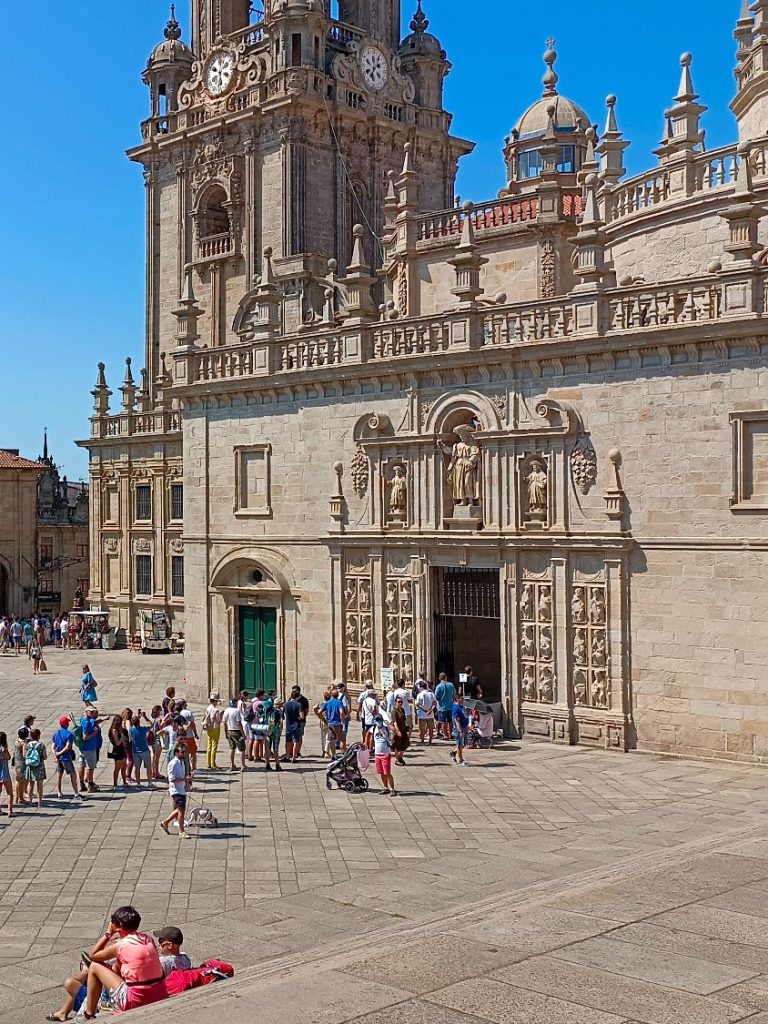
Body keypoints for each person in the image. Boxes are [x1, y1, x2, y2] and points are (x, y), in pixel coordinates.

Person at [79, 905, 169, 1018]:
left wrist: (108, 934)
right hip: (160, 992)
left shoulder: (120, 945)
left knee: (94, 966)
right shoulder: (148, 939)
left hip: (136, 999)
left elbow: (93, 955)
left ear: (118, 926)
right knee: (116, 966)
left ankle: (89, 1013)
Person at [159, 743, 192, 840]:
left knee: (180, 809)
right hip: (176, 790)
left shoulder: (181, 762)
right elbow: (172, 779)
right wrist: (184, 779)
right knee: (181, 810)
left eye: (184, 752)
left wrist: (186, 784)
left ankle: (165, 822)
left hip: (181, 789)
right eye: (182, 752)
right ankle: (181, 831)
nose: (184, 754)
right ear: (176, 752)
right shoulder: (173, 763)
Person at [52, 715, 84, 800]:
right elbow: (67, 747)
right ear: (66, 724)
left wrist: (56, 756)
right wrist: (59, 753)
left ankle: (59, 793)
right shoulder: (69, 734)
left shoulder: (56, 734)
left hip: (59, 759)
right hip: (66, 758)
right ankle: (76, 793)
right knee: (73, 774)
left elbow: (53, 748)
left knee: (59, 775)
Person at [78, 707, 103, 793]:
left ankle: (81, 784)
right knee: (90, 767)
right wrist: (95, 732)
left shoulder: (82, 719)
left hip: (82, 748)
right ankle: (90, 784)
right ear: (86, 712)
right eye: (91, 711)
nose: (92, 713)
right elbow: (85, 737)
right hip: (89, 748)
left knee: (82, 765)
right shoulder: (87, 722)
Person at [370, 714, 396, 796]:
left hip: (385, 753)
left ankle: (392, 789)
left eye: (380, 720)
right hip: (377, 754)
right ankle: (385, 787)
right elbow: (369, 736)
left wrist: (387, 724)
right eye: (377, 720)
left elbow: (395, 731)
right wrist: (369, 747)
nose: (379, 722)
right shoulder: (374, 728)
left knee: (387, 772)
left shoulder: (386, 728)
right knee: (381, 772)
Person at [23, 728, 47, 807]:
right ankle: (40, 802)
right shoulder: (41, 745)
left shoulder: (27, 745)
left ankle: (30, 801)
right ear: (38, 736)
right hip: (39, 766)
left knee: (31, 784)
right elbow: (45, 756)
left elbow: (24, 755)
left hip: (30, 766)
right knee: (40, 785)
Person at [129, 711, 154, 786]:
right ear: (139, 722)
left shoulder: (131, 730)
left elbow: (134, 724)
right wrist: (145, 717)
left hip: (135, 751)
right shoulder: (143, 729)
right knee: (148, 767)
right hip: (144, 750)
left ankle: (138, 783)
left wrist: (138, 717)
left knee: (137, 768)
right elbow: (151, 725)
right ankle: (149, 783)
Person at [322, 687, 347, 759]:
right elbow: (342, 712)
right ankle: (344, 754)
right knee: (342, 739)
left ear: (331, 695)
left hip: (330, 723)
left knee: (332, 740)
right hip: (337, 723)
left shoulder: (328, 703)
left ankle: (334, 755)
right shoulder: (339, 702)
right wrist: (342, 721)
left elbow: (319, 711)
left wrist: (323, 719)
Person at [222, 699, 246, 772]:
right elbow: (239, 723)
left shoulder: (226, 710)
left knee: (232, 748)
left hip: (229, 731)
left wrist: (226, 732)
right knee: (242, 748)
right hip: (237, 732)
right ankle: (243, 766)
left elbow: (224, 722)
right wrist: (243, 734)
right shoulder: (236, 711)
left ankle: (232, 765)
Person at [282, 688, 304, 763]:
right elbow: (302, 716)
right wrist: (298, 717)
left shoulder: (285, 704)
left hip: (288, 725)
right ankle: (294, 757)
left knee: (288, 741)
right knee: (296, 741)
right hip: (296, 725)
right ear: (297, 697)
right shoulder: (299, 705)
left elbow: (283, 715)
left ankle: (288, 755)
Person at [202, 692, 222, 770]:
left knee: (209, 745)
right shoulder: (216, 710)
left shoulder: (208, 707)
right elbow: (218, 721)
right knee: (214, 746)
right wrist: (221, 715)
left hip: (209, 727)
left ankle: (208, 763)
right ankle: (213, 764)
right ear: (215, 701)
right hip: (215, 728)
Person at [263, 698, 284, 772]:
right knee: (275, 749)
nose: (282, 704)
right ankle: (277, 765)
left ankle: (267, 764)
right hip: (275, 731)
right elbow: (281, 722)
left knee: (267, 748)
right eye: (281, 703)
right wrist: (280, 731)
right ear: (278, 704)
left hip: (268, 730)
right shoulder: (280, 712)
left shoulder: (268, 710)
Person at [108, 714, 128, 788]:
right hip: (117, 751)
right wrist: (122, 737)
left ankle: (124, 781)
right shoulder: (114, 730)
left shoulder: (118, 729)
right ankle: (115, 784)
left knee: (124, 766)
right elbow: (117, 743)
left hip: (122, 750)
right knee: (117, 768)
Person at [434, 673, 457, 740]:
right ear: (446, 677)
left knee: (443, 721)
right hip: (450, 705)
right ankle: (450, 734)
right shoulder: (451, 685)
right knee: (450, 721)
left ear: (439, 678)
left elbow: (436, 696)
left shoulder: (438, 686)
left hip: (442, 706)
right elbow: (454, 695)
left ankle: (445, 735)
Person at [451, 692, 469, 767]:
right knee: (459, 744)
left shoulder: (462, 707)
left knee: (465, 743)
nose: (463, 700)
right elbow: (457, 720)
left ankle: (454, 752)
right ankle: (460, 760)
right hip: (459, 729)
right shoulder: (455, 708)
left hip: (464, 727)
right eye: (461, 698)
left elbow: (465, 715)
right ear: (457, 699)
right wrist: (460, 730)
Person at [313, 688, 332, 758]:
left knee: (323, 737)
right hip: (328, 721)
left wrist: (319, 716)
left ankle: (323, 752)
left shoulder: (321, 703)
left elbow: (314, 708)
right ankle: (327, 752)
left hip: (322, 721)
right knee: (328, 738)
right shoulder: (329, 703)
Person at [14, 727, 29, 806]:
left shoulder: (17, 741)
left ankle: (17, 797)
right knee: (22, 781)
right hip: (22, 764)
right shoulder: (23, 743)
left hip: (17, 763)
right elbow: (24, 755)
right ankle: (21, 798)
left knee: (18, 780)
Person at [0, 732, 14, 816]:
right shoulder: (3, 749)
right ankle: (10, 811)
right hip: (4, 772)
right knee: (10, 793)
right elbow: (8, 757)